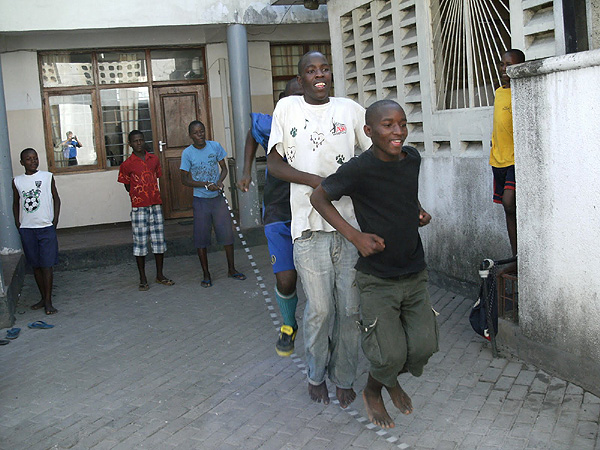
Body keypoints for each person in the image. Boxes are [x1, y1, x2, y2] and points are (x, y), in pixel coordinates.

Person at [310, 99, 439, 429]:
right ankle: (373, 390)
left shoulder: (412, 159)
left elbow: (404, 196)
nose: (398, 132)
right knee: (390, 354)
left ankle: (388, 379)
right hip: (378, 278)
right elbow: (318, 197)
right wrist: (354, 236)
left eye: (402, 123)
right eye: (388, 125)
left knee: (424, 347)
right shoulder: (359, 169)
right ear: (368, 131)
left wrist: (417, 212)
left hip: (414, 270)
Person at [267, 51, 372, 408]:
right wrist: (318, 183)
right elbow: (274, 163)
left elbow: (374, 155)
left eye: (324, 68)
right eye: (311, 70)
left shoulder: (350, 109)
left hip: (349, 226)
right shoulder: (288, 109)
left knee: (350, 309)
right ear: (301, 78)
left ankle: (343, 377)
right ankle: (316, 373)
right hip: (309, 228)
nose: (319, 75)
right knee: (321, 309)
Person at [237, 78, 303, 357]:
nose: (299, 101)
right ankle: (289, 324)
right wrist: (246, 170)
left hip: (313, 210)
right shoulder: (272, 122)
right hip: (278, 210)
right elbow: (253, 133)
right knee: (286, 280)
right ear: (281, 103)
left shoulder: (323, 122)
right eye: (293, 97)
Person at [181, 120, 246, 287]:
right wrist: (205, 185)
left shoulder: (215, 147)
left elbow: (223, 168)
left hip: (217, 199)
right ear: (190, 136)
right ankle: (206, 274)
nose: (200, 135)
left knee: (227, 234)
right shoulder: (187, 154)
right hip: (201, 201)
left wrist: (219, 181)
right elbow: (185, 180)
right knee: (201, 238)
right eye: (196, 133)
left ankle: (231, 269)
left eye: (202, 131)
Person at [118, 130, 174, 291]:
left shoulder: (154, 159)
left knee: (158, 241)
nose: (139, 143)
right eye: (135, 141)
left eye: (141, 140)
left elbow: (157, 177)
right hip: (139, 208)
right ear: (130, 144)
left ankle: (159, 275)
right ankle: (142, 278)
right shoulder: (127, 164)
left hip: (156, 204)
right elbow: (127, 185)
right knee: (140, 243)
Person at [12, 148, 61, 315]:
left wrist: (54, 221)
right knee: (36, 266)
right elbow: (16, 203)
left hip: (46, 228)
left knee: (47, 265)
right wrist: (18, 224)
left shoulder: (47, 177)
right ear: (22, 162)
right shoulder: (17, 181)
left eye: (35, 158)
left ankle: (48, 301)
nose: (33, 161)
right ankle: (42, 297)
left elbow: (56, 198)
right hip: (28, 229)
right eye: (28, 159)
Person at [490, 49, 525, 270]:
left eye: (509, 65)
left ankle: (522, 253)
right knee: (508, 209)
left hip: (515, 160)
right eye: (502, 64)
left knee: (509, 201)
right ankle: (516, 256)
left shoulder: (522, 93)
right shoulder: (498, 93)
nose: (504, 69)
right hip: (498, 160)